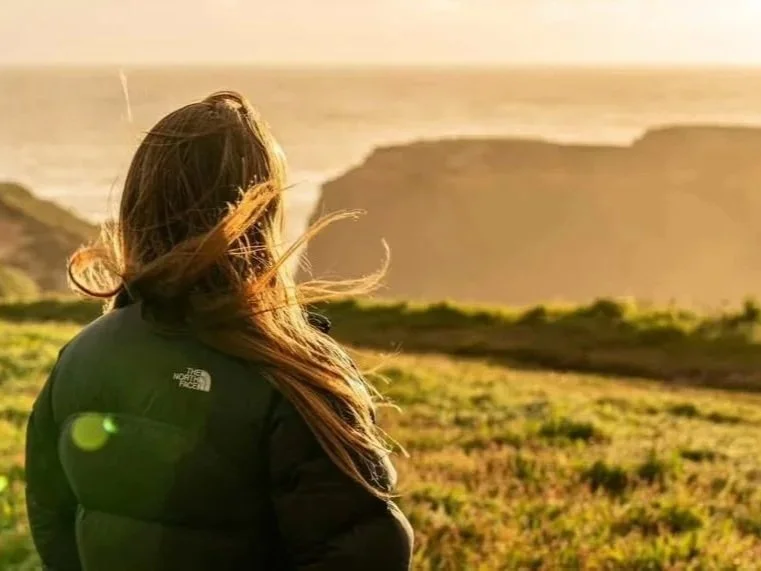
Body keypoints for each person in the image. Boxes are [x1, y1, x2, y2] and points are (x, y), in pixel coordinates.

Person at [24, 91, 413, 571]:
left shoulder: (81, 355)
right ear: (262, 215)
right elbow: (365, 552)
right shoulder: (294, 374)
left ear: (139, 207)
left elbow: (51, 519)